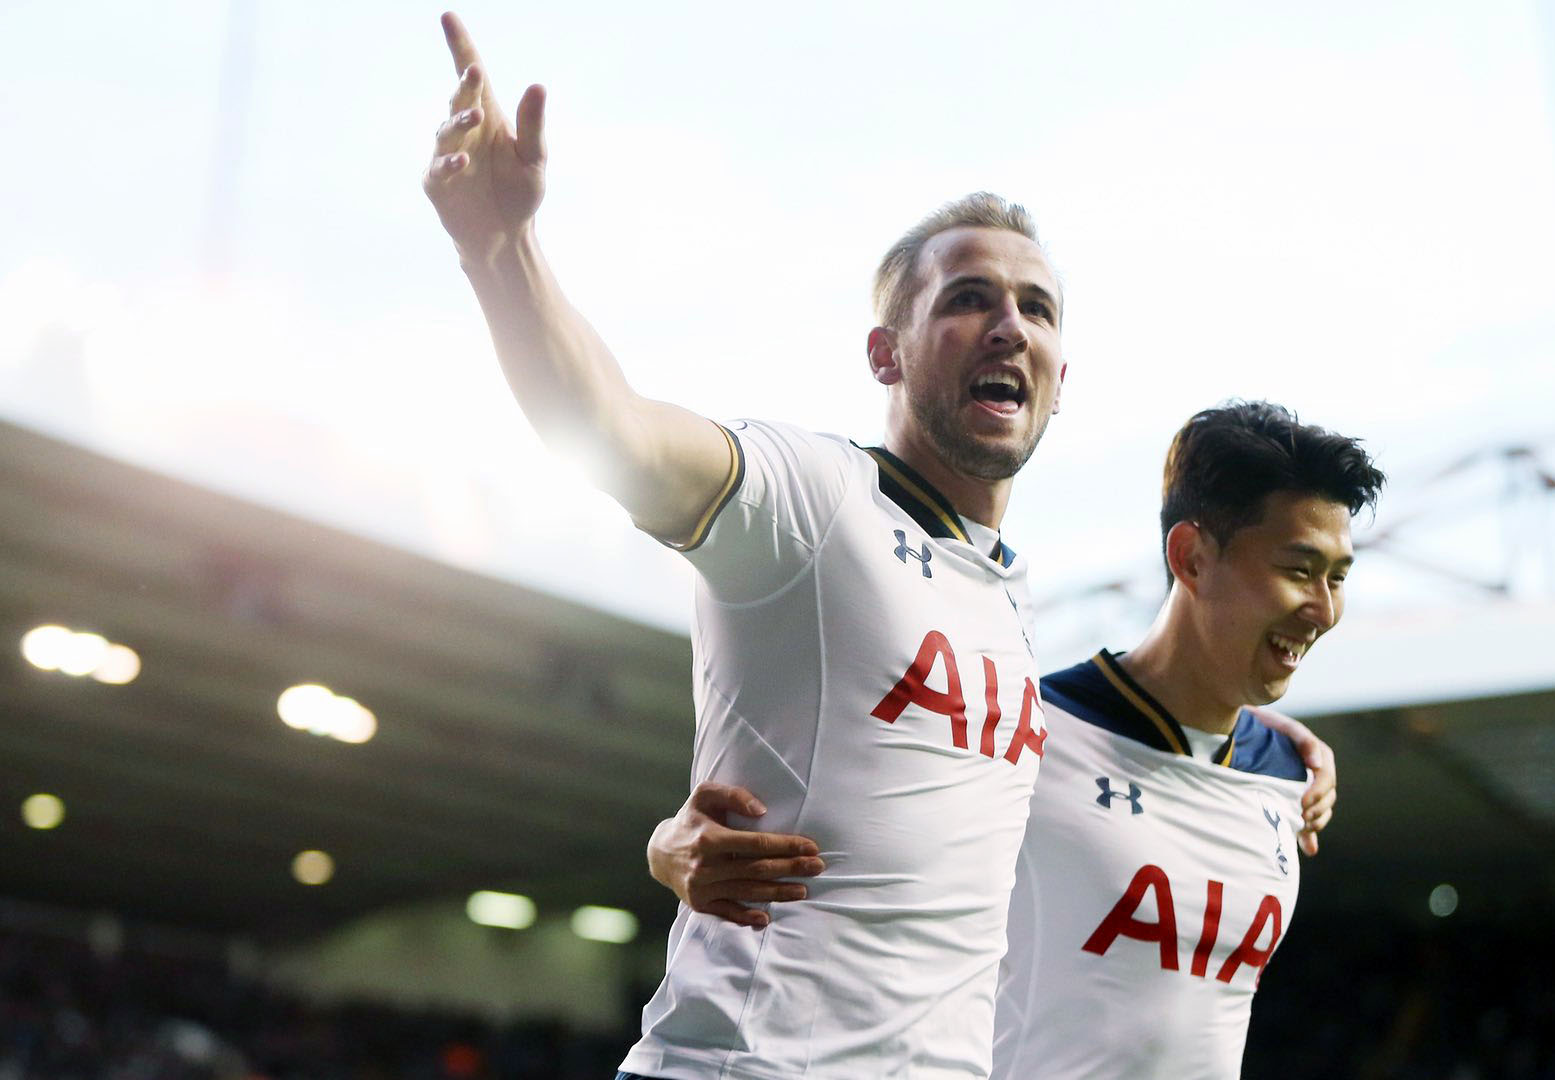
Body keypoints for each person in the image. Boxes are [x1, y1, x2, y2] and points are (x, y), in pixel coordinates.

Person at [421, 14, 1069, 1079]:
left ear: (1060, 378)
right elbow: (617, 431)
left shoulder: (1009, 596)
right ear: (886, 353)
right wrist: (500, 250)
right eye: (968, 300)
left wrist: (1275, 751)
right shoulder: (814, 498)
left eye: (1036, 309)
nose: (1010, 327)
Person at [651, 401, 1382, 1078]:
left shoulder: (1290, 774)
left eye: (1339, 577)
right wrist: (665, 846)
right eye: (1299, 570)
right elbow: (849, 838)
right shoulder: (1026, 728)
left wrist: (1294, 746)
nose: (1323, 608)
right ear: (1191, 556)